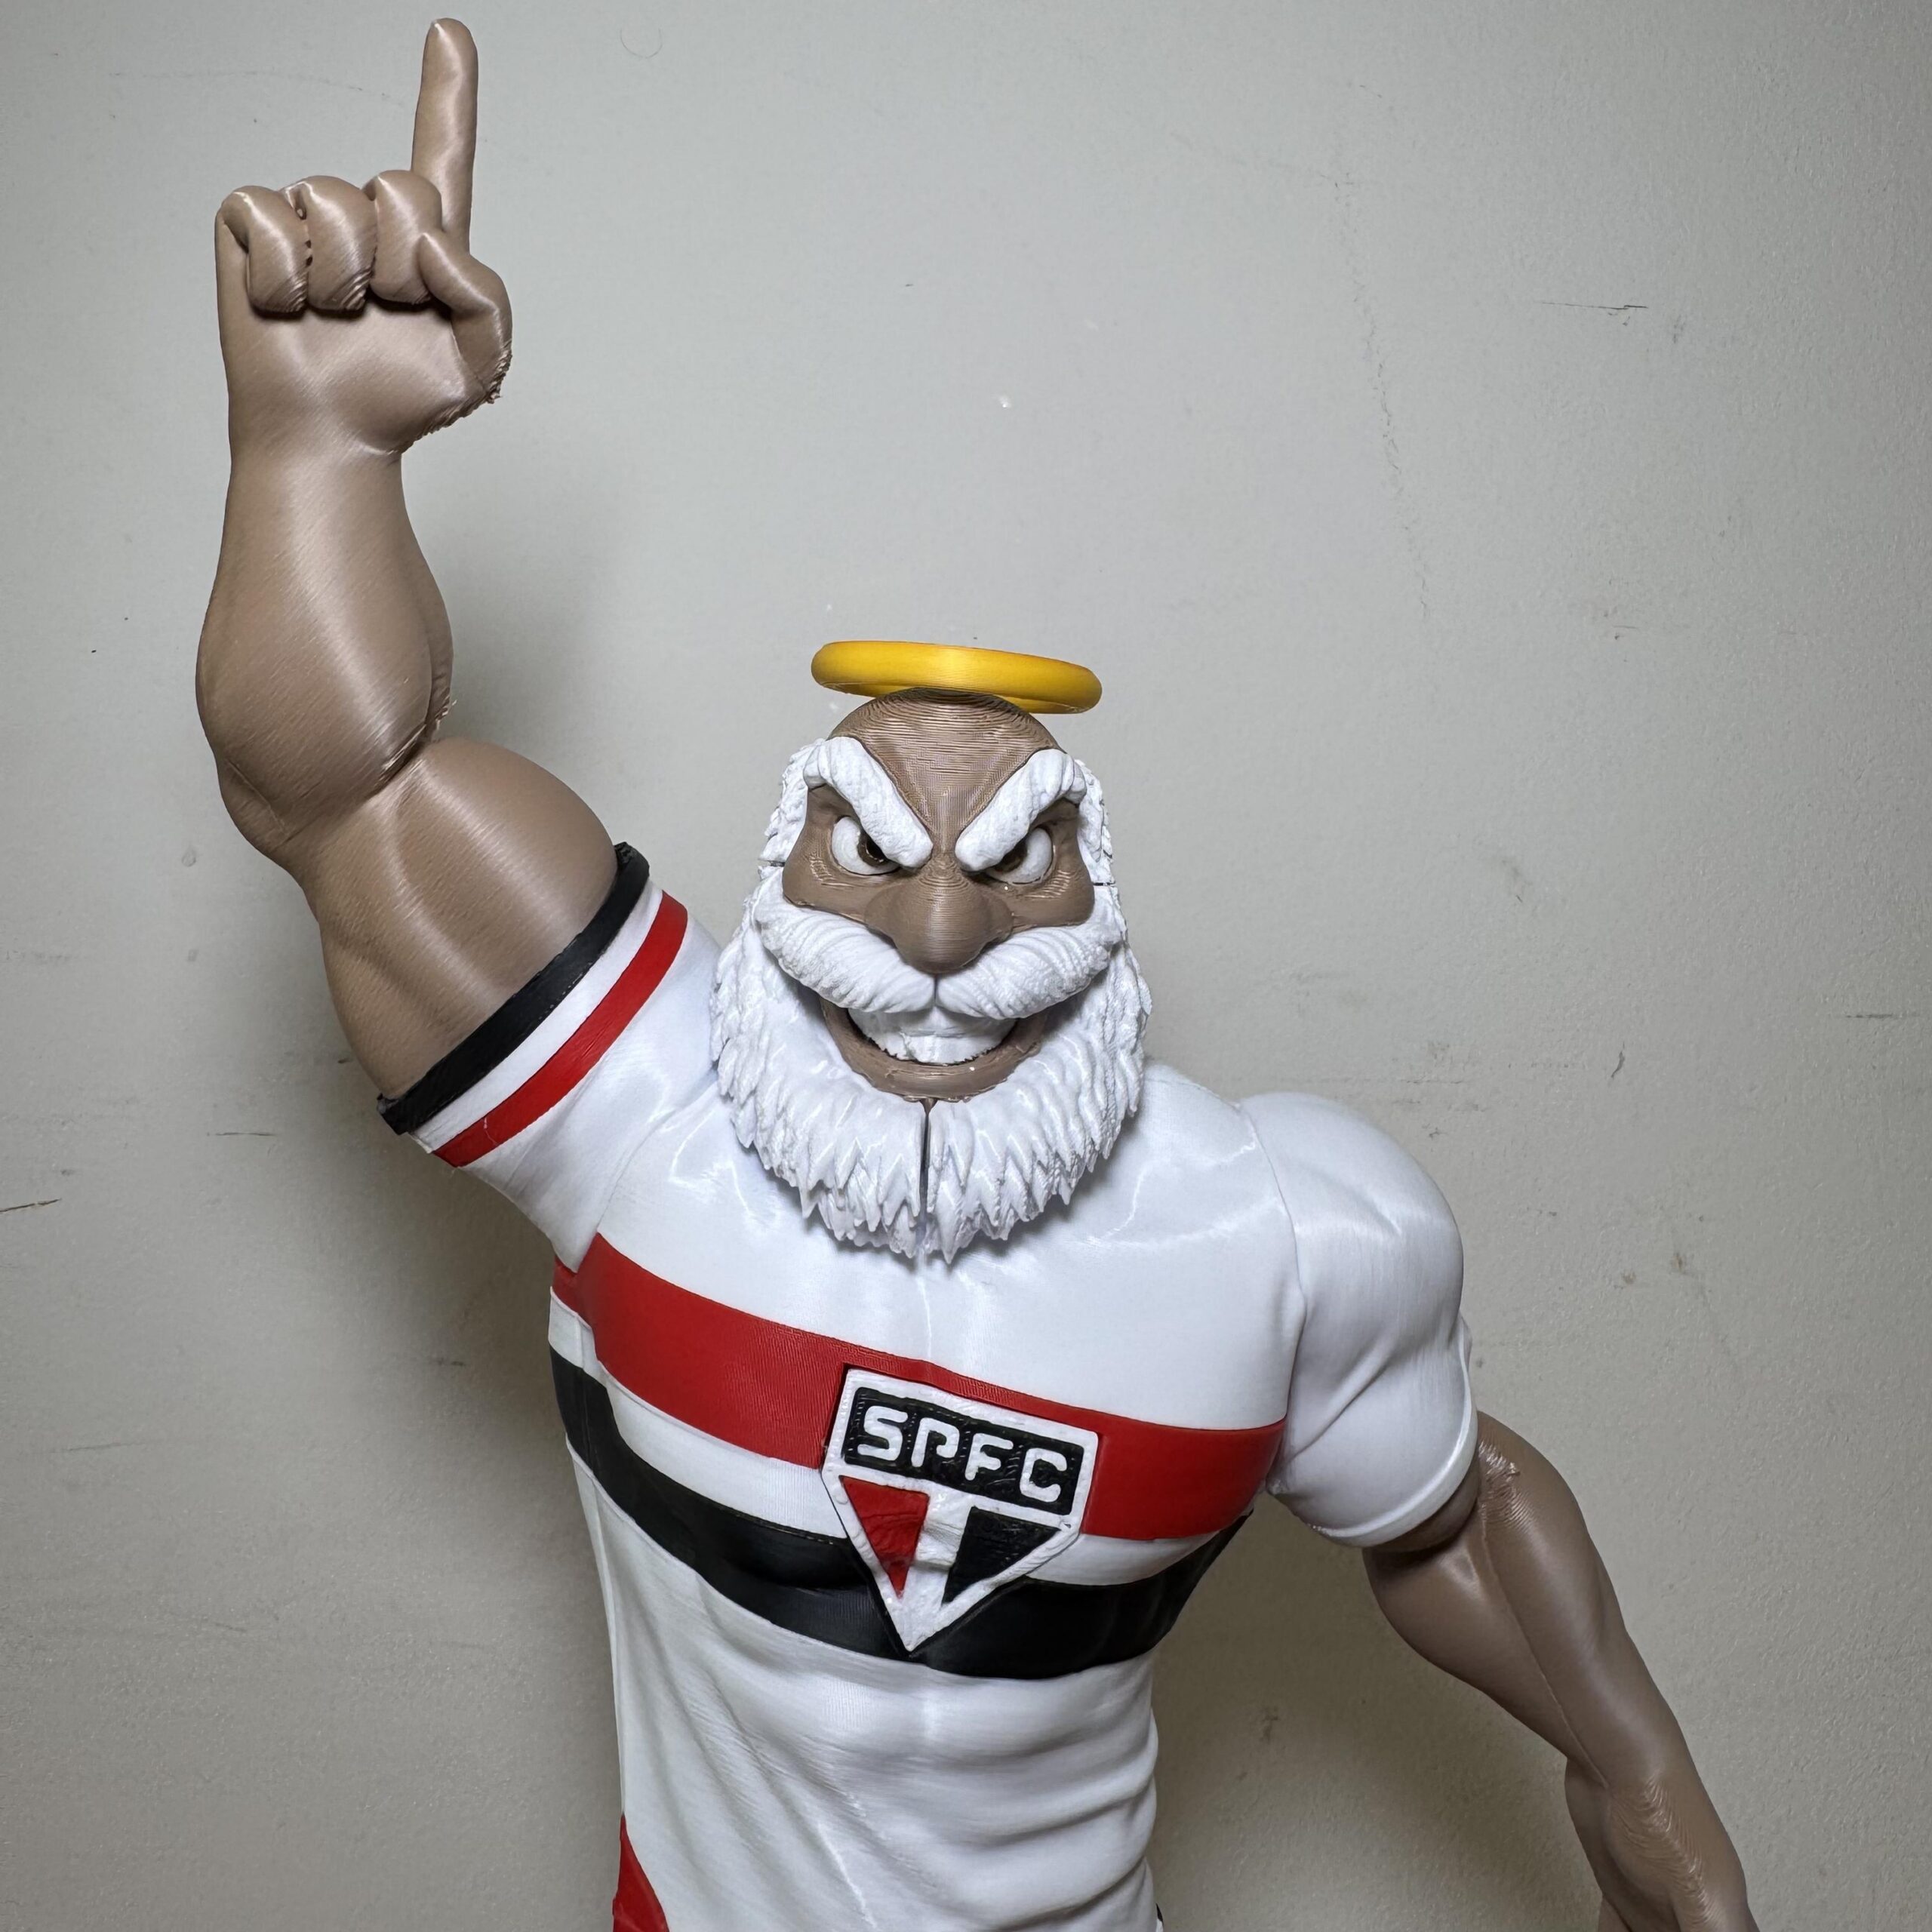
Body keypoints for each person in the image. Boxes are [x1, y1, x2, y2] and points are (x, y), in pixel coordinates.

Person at [198, 21, 1758, 1931]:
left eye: (1014, 864)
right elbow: (338, 789)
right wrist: (317, 458)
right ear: (783, 862)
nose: (935, 939)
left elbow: (1456, 1510)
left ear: (1097, 893)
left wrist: (1635, 1770)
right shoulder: (635, 1106)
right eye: (870, 851)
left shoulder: (1275, 1233)